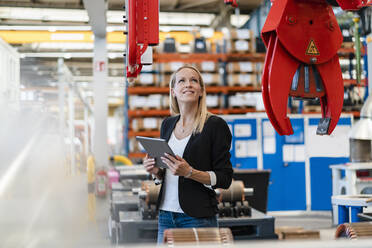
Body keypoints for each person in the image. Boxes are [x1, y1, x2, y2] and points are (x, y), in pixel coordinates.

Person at [143, 65, 233, 244]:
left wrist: (190, 172)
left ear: (201, 91)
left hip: (197, 217)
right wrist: (155, 172)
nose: (188, 84)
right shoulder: (167, 124)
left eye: (194, 80)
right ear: (173, 91)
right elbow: (167, 173)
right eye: (182, 81)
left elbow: (225, 178)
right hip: (166, 215)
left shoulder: (214, 125)